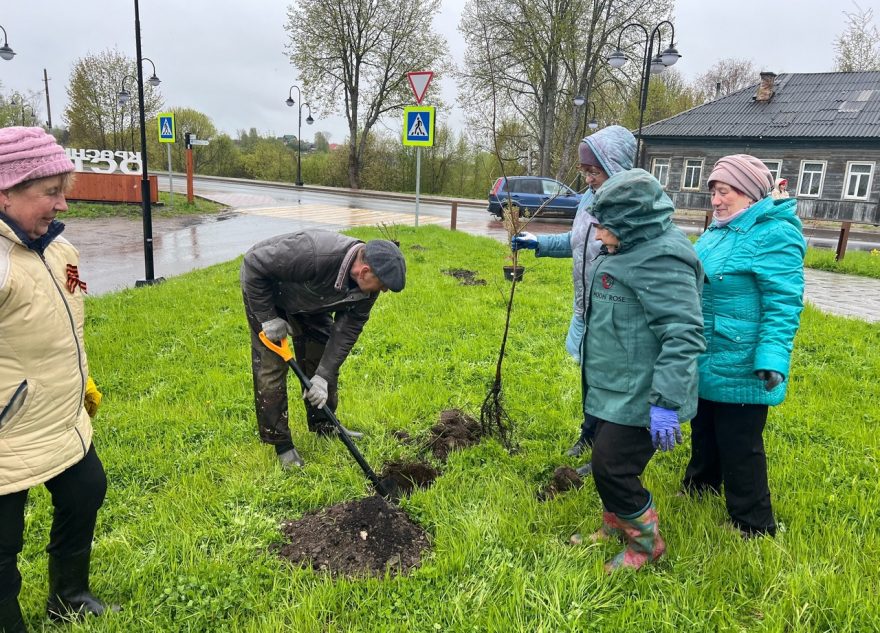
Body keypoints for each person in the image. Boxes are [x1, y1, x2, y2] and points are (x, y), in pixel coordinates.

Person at [0, 127, 117, 632]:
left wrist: (83, 378)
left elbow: (72, 314)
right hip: (7, 433)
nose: (62, 204)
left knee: (86, 489)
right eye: (50, 192)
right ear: (6, 192)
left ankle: (69, 597)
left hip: (60, 416)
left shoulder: (60, 250)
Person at [568, 169, 705, 572]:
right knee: (603, 461)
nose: (597, 235)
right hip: (616, 386)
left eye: (604, 226)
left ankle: (646, 544)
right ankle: (615, 524)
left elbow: (682, 334)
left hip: (645, 393)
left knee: (612, 467)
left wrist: (665, 403)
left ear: (632, 222)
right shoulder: (629, 248)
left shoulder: (662, 260)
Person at [681, 154, 805, 538]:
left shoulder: (774, 234)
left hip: (742, 358)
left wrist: (772, 358)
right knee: (704, 427)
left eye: (725, 192)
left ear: (750, 195)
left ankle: (753, 523)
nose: (716, 200)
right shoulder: (718, 230)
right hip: (707, 351)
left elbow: (783, 303)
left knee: (739, 442)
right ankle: (700, 486)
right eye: (713, 192)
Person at [511, 126, 636, 469]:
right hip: (586, 307)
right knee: (591, 377)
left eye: (594, 171)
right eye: (584, 170)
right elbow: (577, 241)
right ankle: (590, 435)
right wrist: (538, 242)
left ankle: (607, 454)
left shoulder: (629, 205)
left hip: (614, 311)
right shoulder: (589, 198)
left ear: (615, 166)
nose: (588, 178)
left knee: (611, 384)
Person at [240, 231, 406, 469]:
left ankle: (324, 425)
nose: (384, 291)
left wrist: (323, 376)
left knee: (321, 356)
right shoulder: (313, 254)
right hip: (267, 293)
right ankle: (281, 444)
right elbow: (253, 264)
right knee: (271, 366)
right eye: (383, 285)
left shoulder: (368, 288)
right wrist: (267, 317)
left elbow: (347, 330)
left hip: (312, 300)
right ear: (364, 271)